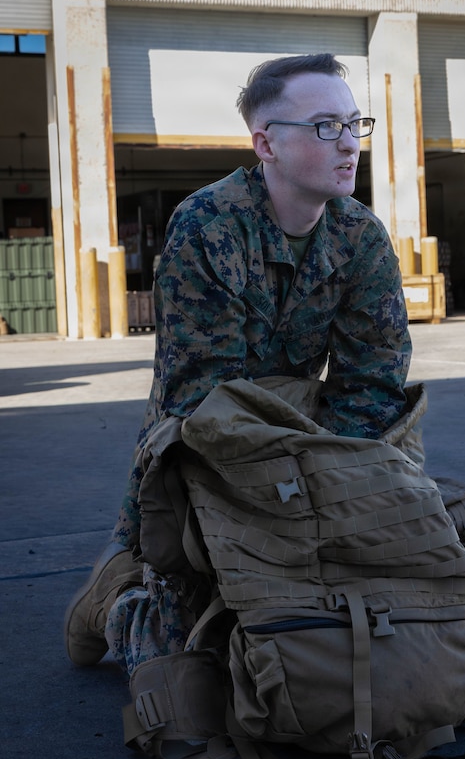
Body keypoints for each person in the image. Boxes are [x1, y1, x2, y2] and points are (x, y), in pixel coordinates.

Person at [64, 52, 413, 672]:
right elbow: (203, 395)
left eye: (354, 124)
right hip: (198, 443)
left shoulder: (361, 236)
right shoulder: (208, 225)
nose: (349, 144)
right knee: (184, 655)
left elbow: (374, 381)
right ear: (266, 144)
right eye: (325, 126)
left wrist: (332, 490)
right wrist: (280, 498)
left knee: (340, 622)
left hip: (304, 434)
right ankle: (111, 601)